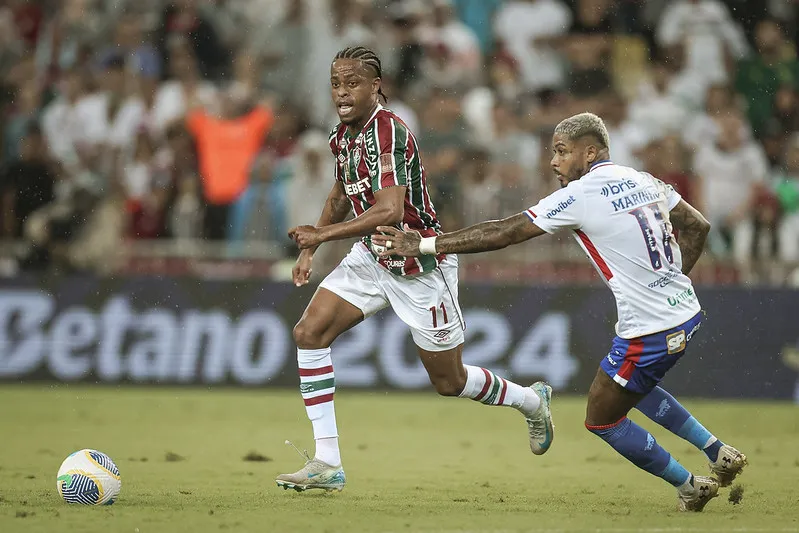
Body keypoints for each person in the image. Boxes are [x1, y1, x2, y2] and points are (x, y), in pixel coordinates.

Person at [372, 112, 747, 512]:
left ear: (590, 153)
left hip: (650, 331)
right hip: (685, 312)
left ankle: (691, 487)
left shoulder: (581, 195)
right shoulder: (641, 179)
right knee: (631, 389)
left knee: (602, 418)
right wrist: (669, 283)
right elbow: (698, 226)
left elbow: (505, 231)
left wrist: (425, 245)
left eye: (562, 152)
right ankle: (717, 451)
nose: (554, 161)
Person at [275, 46, 554, 492]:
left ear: (376, 86)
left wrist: (323, 237)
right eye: (336, 83)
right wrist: (312, 245)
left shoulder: (389, 132)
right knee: (309, 333)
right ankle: (328, 461)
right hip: (371, 257)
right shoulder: (341, 135)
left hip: (420, 262)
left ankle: (530, 401)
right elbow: (341, 193)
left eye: (352, 83)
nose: (342, 92)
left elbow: (389, 210)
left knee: (450, 380)